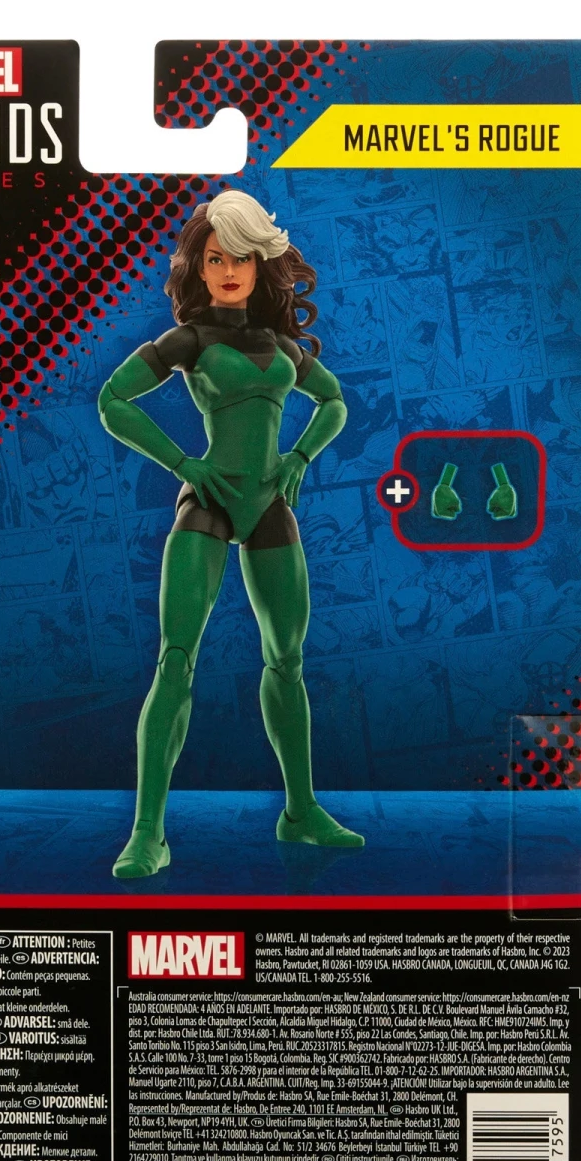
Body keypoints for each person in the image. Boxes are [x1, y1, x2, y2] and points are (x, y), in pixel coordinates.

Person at [98, 190, 364, 878]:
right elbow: (112, 400)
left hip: (270, 504)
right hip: (209, 503)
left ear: (259, 264)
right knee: (175, 659)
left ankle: (300, 812)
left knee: (288, 660)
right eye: (215, 258)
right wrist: (183, 464)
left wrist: (299, 458)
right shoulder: (189, 340)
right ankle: (148, 833)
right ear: (199, 265)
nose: (227, 270)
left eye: (240, 257)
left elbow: (335, 401)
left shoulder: (282, 346)